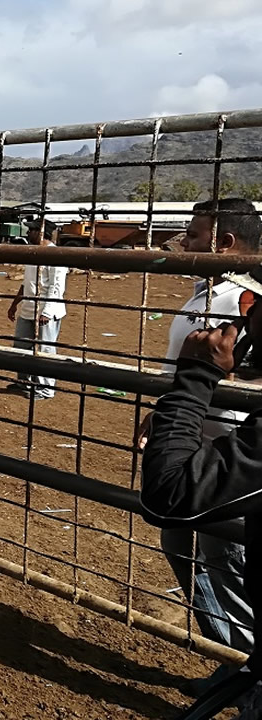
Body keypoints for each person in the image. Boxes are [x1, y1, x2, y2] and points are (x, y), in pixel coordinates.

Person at [137, 199, 262, 692]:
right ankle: (228, 654)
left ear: (223, 243)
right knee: (179, 545)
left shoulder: (245, 302)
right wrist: (167, 410)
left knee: (224, 560)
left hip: (228, 454)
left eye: (192, 236)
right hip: (188, 438)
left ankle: (246, 670)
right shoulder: (205, 295)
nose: (184, 245)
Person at [6, 219, 67, 399]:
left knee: (45, 350)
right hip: (28, 308)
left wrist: (47, 311)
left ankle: (45, 388)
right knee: (21, 346)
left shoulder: (56, 255)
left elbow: (56, 286)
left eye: (31, 230)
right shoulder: (33, 253)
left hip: (47, 311)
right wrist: (14, 304)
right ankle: (24, 382)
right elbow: (27, 283)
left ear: (41, 232)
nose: (27, 233)